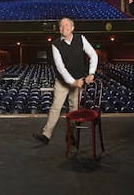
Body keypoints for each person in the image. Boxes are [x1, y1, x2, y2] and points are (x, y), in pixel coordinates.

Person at [33, 17, 98, 145]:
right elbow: (60, 67)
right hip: (62, 81)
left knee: (74, 109)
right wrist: (72, 82)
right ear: (59, 29)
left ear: (72, 28)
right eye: (62, 26)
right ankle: (46, 135)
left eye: (67, 25)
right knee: (55, 107)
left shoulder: (81, 38)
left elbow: (93, 55)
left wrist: (91, 73)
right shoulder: (55, 44)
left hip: (78, 80)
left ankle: (71, 136)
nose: (64, 27)